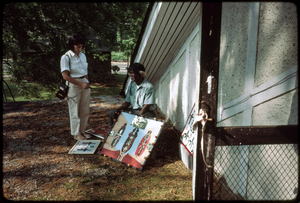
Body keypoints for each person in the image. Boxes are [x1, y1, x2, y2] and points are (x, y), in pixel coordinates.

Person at [60, 34, 91, 141]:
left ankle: (82, 131)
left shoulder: (83, 55)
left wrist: (87, 82)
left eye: (81, 46)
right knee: (74, 110)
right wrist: (80, 83)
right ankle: (76, 133)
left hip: (84, 83)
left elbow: (85, 71)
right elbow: (65, 76)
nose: (80, 48)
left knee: (84, 109)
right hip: (73, 84)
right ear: (72, 45)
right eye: (78, 46)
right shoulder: (66, 57)